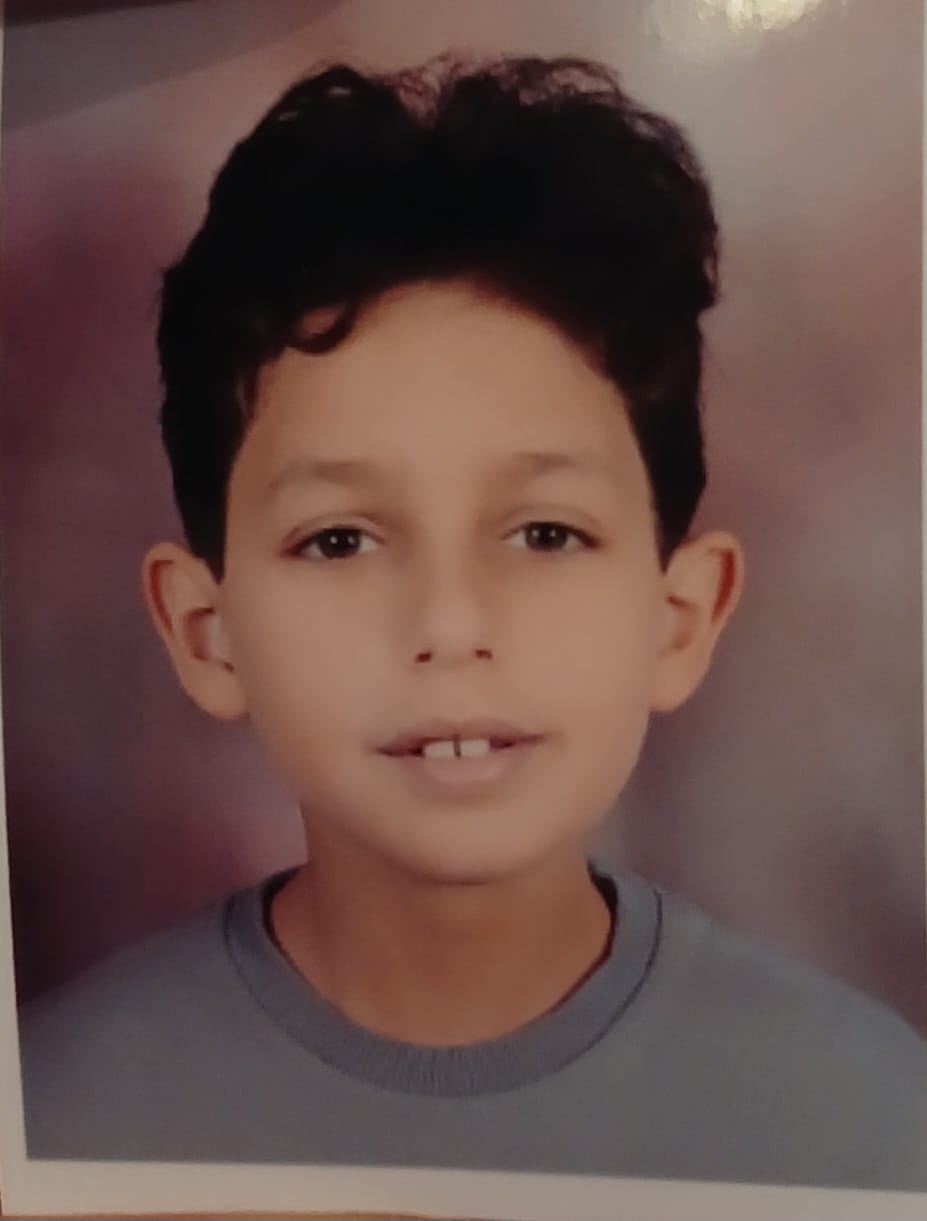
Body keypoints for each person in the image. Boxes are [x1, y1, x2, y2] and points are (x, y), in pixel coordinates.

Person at [17, 54, 927, 1190]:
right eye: (340, 540)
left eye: (545, 533)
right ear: (206, 632)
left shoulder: (864, 1125)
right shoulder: (58, 1121)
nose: (449, 625)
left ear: (680, 618)